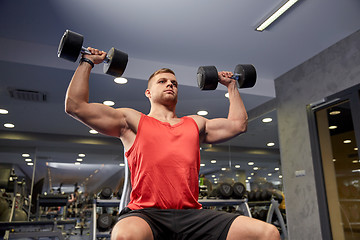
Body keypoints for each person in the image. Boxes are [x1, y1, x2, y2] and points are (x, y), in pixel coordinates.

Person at [65, 47, 280, 240]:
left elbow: (237, 125)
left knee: (267, 233)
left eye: (174, 83)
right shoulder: (132, 121)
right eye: (163, 81)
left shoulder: (194, 124)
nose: (170, 84)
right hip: (147, 214)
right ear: (148, 93)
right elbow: (75, 106)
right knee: (125, 235)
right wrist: (88, 61)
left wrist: (232, 86)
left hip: (192, 215)